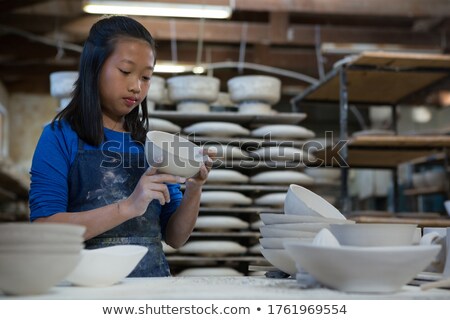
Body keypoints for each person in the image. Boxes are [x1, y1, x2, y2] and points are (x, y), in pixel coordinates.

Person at [29, 15, 212, 277]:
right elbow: (46, 230)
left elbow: (175, 237)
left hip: (152, 289)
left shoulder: (151, 145)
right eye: (126, 72)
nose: (136, 87)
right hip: (85, 289)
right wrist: (128, 207)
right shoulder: (59, 136)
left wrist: (194, 188)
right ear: (95, 67)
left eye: (146, 77)